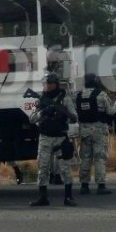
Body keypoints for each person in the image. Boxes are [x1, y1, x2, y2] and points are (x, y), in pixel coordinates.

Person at [29, 72, 78, 207]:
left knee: (65, 169)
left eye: (50, 83)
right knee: (43, 168)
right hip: (45, 138)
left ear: (56, 84)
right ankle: (42, 197)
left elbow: (74, 116)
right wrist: (44, 112)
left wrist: (62, 116)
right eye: (46, 84)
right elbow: (32, 118)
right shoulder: (41, 99)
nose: (48, 86)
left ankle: (68, 197)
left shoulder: (65, 99)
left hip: (60, 138)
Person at [75, 73, 115, 195]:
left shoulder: (78, 95)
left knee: (85, 158)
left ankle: (84, 185)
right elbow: (110, 111)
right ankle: (101, 185)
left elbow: (75, 113)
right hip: (99, 130)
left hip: (84, 130)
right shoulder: (101, 95)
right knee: (99, 157)